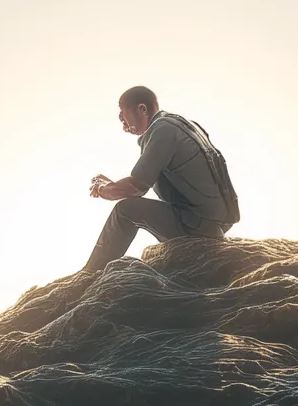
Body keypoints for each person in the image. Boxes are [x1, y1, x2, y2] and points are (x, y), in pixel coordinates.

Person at [86, 85, 232, 269]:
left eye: (123, 112)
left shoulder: (162, 130)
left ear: (142, 109)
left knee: (126, 210)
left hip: (197, 226)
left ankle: (90, 274)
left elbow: (136, 187)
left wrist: (102, 189)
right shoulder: (180, 125)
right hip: (211, 223)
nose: (121, 119)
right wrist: (114, 185)